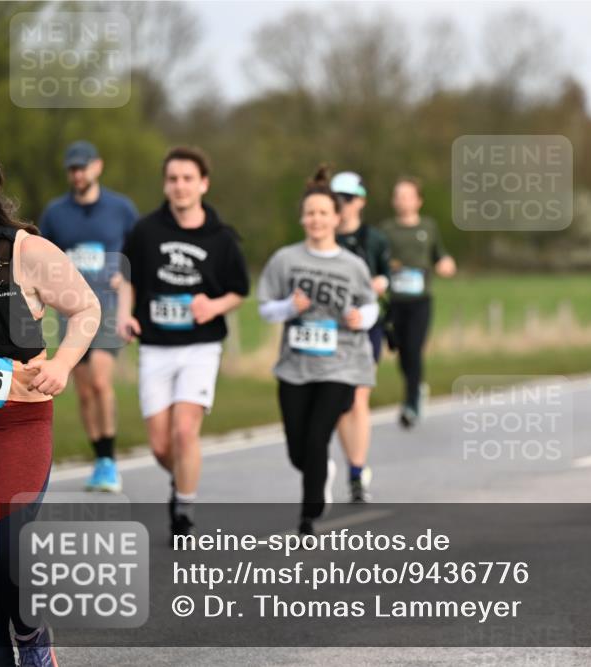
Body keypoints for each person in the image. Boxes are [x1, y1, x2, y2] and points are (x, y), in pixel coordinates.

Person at [0, 143, 101, 666]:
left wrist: (63, 364)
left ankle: (31, 632)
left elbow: (87, 309)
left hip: (17, 420)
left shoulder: (25, 251)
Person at [116, 146, 250, 541]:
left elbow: (239, 290)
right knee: (160, 445)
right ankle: (182, 479)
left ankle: (184, 512)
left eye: (188, 178)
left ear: (203, 184)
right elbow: (128, 278)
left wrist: (214, 305)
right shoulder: (146, 230)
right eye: (173, 178)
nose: (180, 186)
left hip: (201, 346)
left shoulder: (221, 238)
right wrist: (125, 313)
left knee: (184, 432)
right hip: (155, 346)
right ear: (165, 184)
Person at [257, 166, 378, 535]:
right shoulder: (285, 260)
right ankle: (321, 471)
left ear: (336, 218)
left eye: (324, 212)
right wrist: (289, 308)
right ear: (302, 218)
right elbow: (265, 307)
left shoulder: (352, 265)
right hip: (294, 366)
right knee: (299, 449)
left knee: (317, 437)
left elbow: (371, 305)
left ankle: (308, 515)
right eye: (310, 212)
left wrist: (362, 317)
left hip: (339, 365)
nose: (316, 219)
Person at [39, 141, 138, 493]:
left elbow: (138, 258)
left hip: (109, 308)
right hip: (71, 311)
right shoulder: (54, 214)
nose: (78, 174)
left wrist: (125, 285)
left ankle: (109, 460)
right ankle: (99, 459)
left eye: (83, 167)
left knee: (100, 381)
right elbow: (42, 260)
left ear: (98, 167)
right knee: (82, 392)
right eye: (72, 169)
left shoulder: (121, 209)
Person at [332, 171, 390, 502]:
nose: (344, 205)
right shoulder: (325, 236)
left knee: (359, 396)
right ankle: (352, 464)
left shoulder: (376, 239)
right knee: (342, 401)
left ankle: (357, 470)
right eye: (338, 199)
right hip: (333, 327)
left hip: (367, 324)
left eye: (349, 198)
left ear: (361, 201)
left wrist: (382, 283)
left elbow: (388, 274)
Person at [379, 177, 455, 428]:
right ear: (393, 201)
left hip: (420, 300)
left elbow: (439, 254)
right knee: (402, 351)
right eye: (398, 196)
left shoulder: (428, 227)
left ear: (418, 201)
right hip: (395, 300)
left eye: (407, 196)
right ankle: (416, 387)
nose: (402, 201)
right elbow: (379, 261)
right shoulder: (386, 230)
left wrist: (445, 263)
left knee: (414, 347)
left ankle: (411, 402)